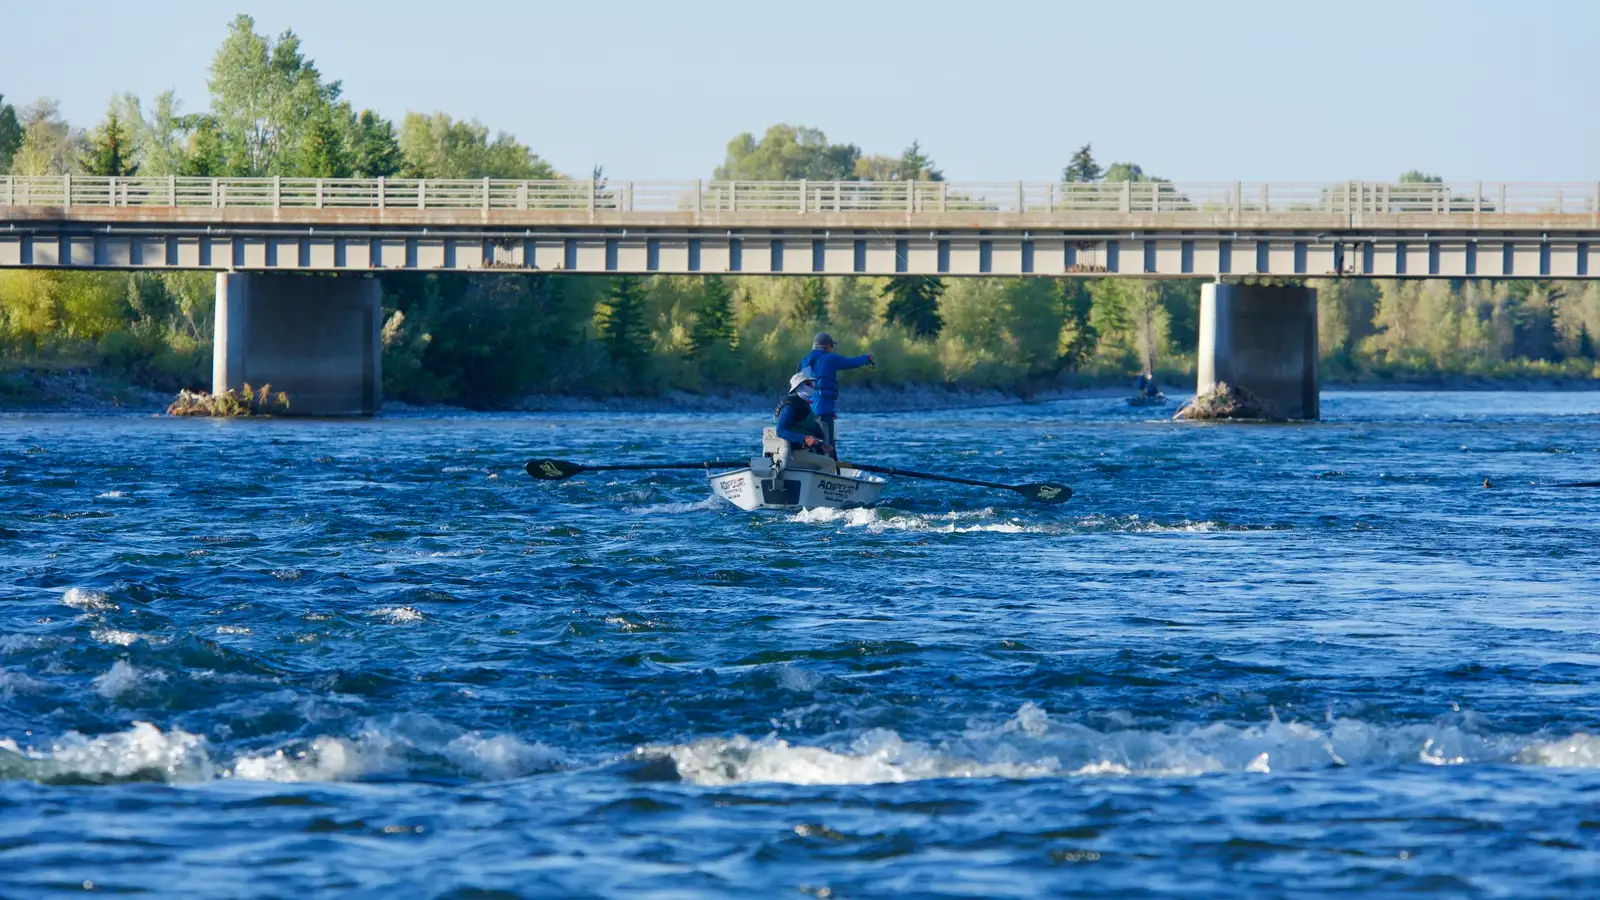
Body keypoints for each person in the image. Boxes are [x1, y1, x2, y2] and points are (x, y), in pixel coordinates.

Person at [796, 332, 873, 450]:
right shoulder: (829, 358)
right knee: (827, 445)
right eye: (831, 346)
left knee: (812, 443)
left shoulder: (805, 361)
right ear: (826, 346)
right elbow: (851, 362)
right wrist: (866, 358)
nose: (832, 349)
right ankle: (828, 465)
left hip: (805, 411)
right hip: (822, 410)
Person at [774, 370, 833, 457]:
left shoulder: (804, 404)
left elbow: (813, 426)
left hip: (806, 451)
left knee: (830, 459)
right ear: (798, 386)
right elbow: (780, 431)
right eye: (809, 384)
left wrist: (822, 444)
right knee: (829, 464)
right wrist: (804, 439)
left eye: (813, 384)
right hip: (793, 453)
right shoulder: (790, 406)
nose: (813, 386)